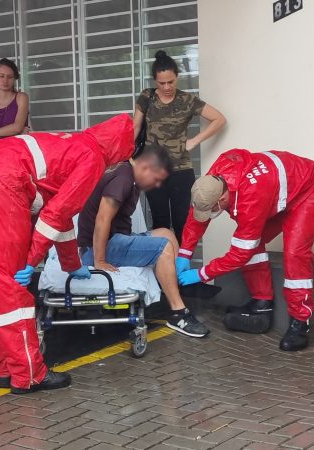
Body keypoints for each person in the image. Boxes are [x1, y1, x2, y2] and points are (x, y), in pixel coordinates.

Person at [0, 114, 134, 394]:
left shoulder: (72, 143)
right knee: (11, 284)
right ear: (118, 152)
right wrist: (31, 260)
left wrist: (72, 264)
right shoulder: (93, 159)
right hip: (3, 183)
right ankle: (28, 374)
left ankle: (5, 366)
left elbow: (59, 216)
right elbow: (55, 215)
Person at [176, 148, 314, 352]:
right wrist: (184, 253)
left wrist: (201, 273)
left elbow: (241, 254)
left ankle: (301, 323)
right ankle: (262, 303)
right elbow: (197, 217)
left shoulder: (251, 196)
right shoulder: (212, 182)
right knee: (250, 242)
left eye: (211, 210)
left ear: (222, 200)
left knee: (294, 254)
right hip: (278, 193)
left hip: (306, 191)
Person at [77, 146, 211, 338]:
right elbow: (102, 219)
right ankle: (178, 314)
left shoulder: (128, 176)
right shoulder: (123, 178)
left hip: (115, 240)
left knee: (166, 234)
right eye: (156, 179)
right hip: (97, 248)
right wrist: (100, 260)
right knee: (162, 248)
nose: (156, 185)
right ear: (145, 167)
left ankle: (172, 292)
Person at [133, 50, 226, 244]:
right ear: (155, 81)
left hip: (181, 171)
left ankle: (179, 268)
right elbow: (135, 127)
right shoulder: (146, 97)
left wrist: (195, 140)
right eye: (161, 83)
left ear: (177, 77)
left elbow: (219, 119)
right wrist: (127, 158)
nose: (167, 87)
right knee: (160, 223)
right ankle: (163, 269)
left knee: (182, 223)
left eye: (171, 81)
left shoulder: (188, 100)